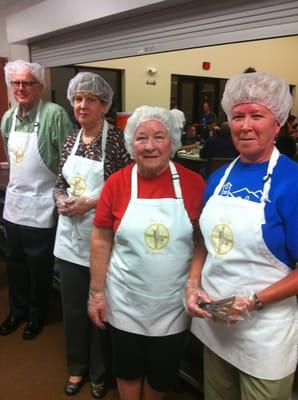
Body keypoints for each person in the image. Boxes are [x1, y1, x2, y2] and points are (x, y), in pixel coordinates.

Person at [185, 71, 298, 400]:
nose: (245, 125)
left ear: (277, 124)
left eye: (257, 115)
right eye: (237, 116)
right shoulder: (218, 177)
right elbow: (206, 242)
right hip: (215, 323)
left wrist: (253, 302)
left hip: (265, 334)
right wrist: (193, 283)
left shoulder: (292, 183)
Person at [88, 106, 205, 400]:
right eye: (141, 138)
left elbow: (203, 242)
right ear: (131, 144)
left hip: (173, 304)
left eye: (159, 137)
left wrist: (194, 284)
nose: (150, 146)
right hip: (125, 301)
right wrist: (96, 293)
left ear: (173, 141)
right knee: (127, 370)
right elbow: (101, 239)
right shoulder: (117, 183)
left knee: (162, 375)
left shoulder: (193, 184)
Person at [53, 72, 131, 398]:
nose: (82, 105)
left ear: (104, 105)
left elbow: (127, 189)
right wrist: (60, 198)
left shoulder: (116, 141)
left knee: (99, 307)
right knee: (72, 308)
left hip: (103, 240)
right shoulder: (71, 139)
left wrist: (91, 201)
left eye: (90, 100)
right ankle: (77, 367)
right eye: (77, 99)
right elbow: (60, 181)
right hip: (69, 240)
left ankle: (100, 371)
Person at [0, 59, 73, 340]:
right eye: (16, 83)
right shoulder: (8, 118)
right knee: (14, 261)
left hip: (42, 205)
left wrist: (63, 199)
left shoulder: (54, 115)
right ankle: (17, 310)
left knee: (38, 266)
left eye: (27, 83)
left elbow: (68, 160)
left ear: (40, 87)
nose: (20, 88)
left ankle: (36, 314)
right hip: (15, 203)